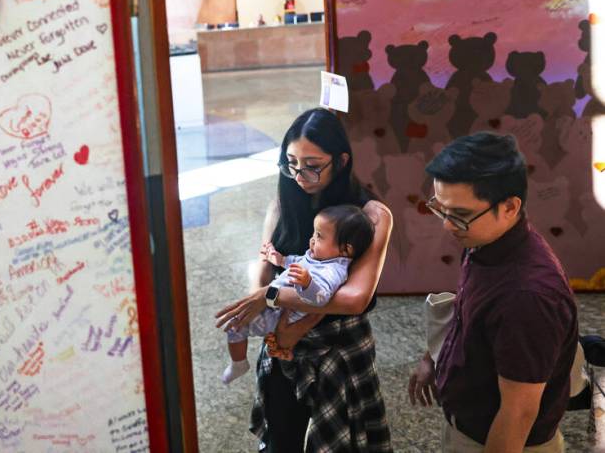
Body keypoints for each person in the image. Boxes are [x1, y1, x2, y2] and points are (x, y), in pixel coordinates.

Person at [215, 107, 393, 452]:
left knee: (343, 440)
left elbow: (354, 297)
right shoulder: (282, 203)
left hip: (340, 345)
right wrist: (265, 314)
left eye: (312, 165)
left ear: (341, 162)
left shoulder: (371, 214)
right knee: (282, 436)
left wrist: (272, 298)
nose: (299, 175)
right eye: (291, 163)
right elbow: (264, 265)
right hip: (282, 338)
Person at [408, 132, 578, 452]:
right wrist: (433, 357)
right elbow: (468, 313)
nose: (446, 225)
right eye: (440, 208)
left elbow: (518, 412)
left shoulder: (526, 297)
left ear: (510, 207)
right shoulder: (484, 241)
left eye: (459, 214)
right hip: (467, 426)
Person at [222, 204, 374, 384]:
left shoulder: (333, 271)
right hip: (277, 306)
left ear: (346, 250)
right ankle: (238, 361)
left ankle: (238, 364)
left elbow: (320, 298)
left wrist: (307, 283)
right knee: (238, 321)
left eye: (319, 236)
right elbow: (299, 261)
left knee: (236, 325)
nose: (312, 240)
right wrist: (280, 260)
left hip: (282, 314)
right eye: (314, 233)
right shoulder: (321, 256)